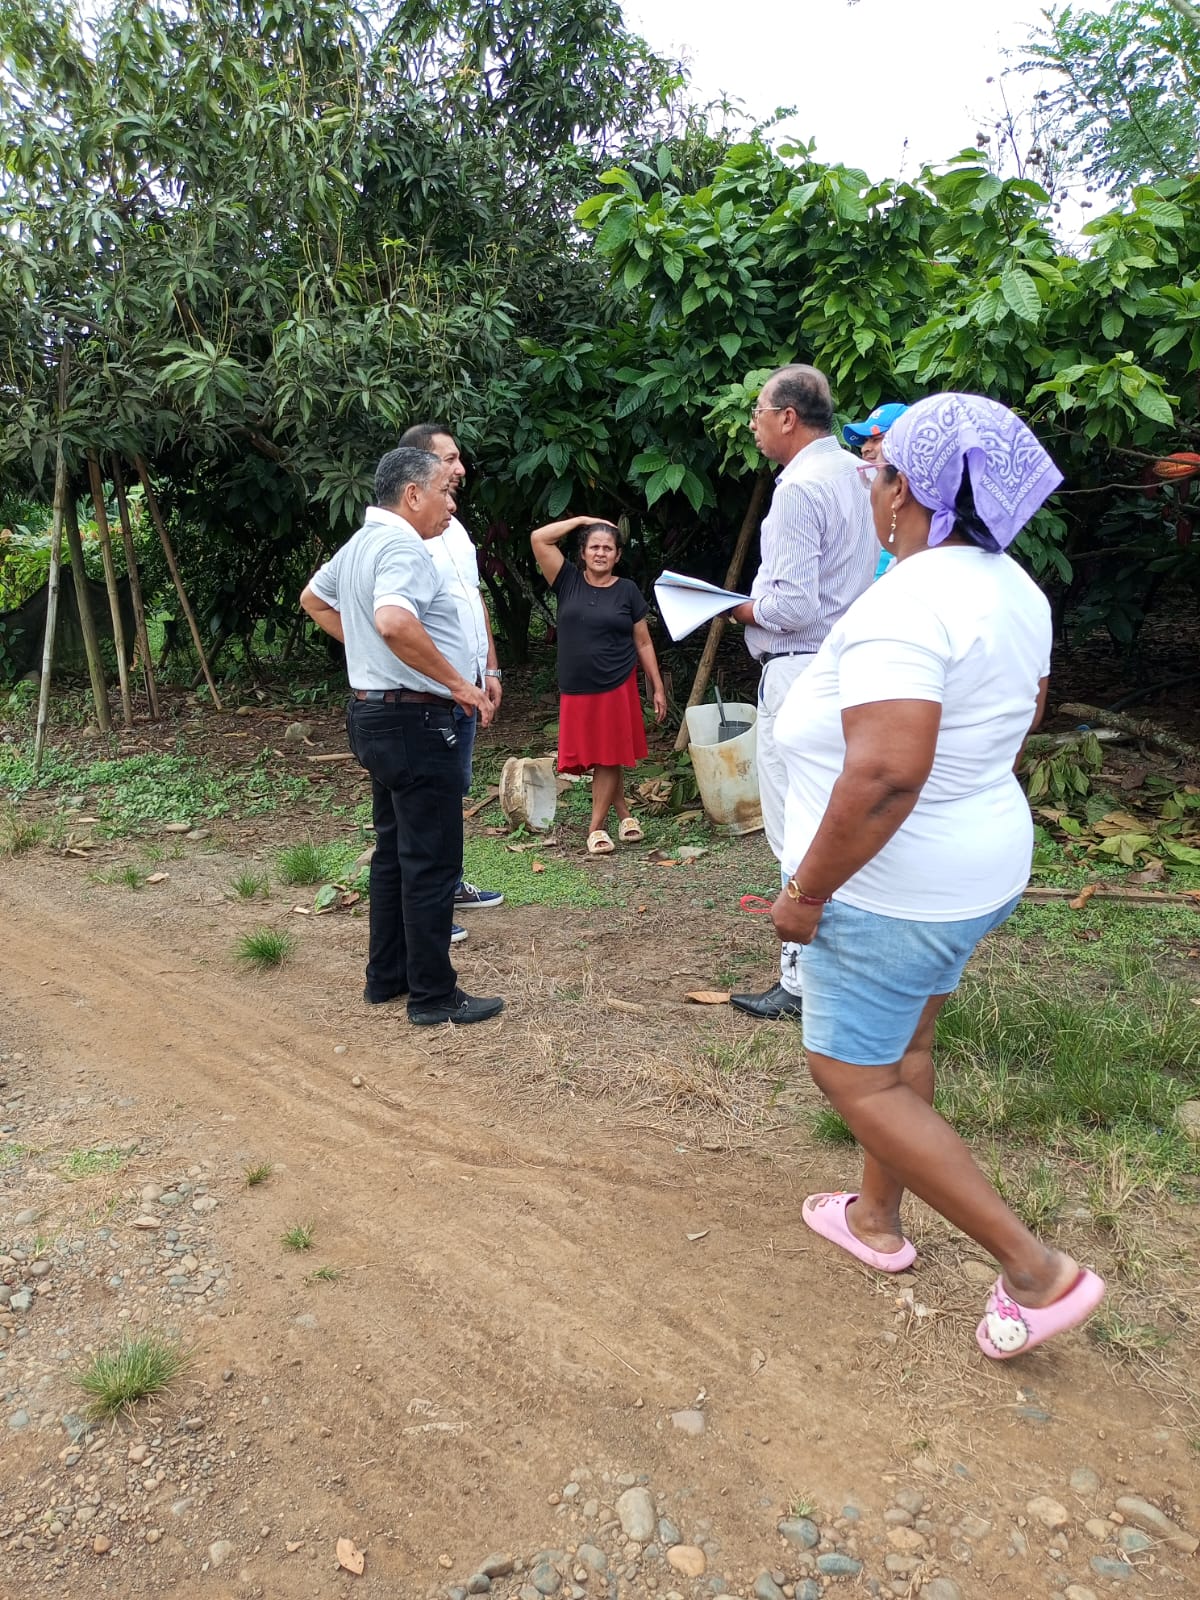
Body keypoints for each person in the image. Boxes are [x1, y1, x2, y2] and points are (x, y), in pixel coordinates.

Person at [770, 391, 1105, 1359]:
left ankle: (1036, 1272)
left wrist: (807, 893)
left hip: (889, 890)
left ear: (905, 489)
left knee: (850, 1075)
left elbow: (885, 774)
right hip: (977, 868)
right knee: (906, 1041)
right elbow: (1021, 712)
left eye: (878, 471)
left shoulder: (908, 602)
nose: (873, 487)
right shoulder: (1017, 589)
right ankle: (875, 1217)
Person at [299, 447, 504, 1027]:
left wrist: (371, 652)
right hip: (417, 722)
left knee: (393, 852)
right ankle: (433, 995)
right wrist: (459, 685)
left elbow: (313, 599)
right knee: (431, 859)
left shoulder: (360, 543)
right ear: (413, 494)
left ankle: (386, 977)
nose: (451, 504)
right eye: (445, 491)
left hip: (375, 716)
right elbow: (392, 621)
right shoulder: (402, 546)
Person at [724, 364, 876, 1020]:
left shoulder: (798, 489)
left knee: (795, 826)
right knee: (838, 818)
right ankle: (844, 965)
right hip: (852, 669)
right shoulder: (860, 474)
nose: (752, 425)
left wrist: (733, 608)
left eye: (758, 412)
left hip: (798, 671)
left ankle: (800, 980)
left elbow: (789, 606)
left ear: (788, 417)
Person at [398, 423, 504, 938]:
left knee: (453, 788)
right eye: (450, 460)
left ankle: (450, 884)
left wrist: (489, 667)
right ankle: (429, 906)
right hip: (428, 693)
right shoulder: (404, 539)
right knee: (428, 799)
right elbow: (394, 621)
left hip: (466, 684)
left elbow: (472, 597)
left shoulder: (453, 528)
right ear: (418, 471)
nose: (460, 469)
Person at [530, 515, 667, 854]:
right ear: (583, 553)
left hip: (616, 683)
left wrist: (657, 685)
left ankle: (595, 829)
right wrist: (582, 520)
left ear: (617, 555)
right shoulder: (566, 580)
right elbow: (539, 538)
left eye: (608, 548)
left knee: (608, 754)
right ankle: (624, 814)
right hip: (577, 686)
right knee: (600, 753)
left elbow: (643, 642)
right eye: (594, 547)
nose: (601, 553)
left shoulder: (627, 590)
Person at [844, 402, 909, 581]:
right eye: (865, 441)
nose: (865, 448)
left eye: (876, 439)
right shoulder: (864, 488)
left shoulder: (923, 501)